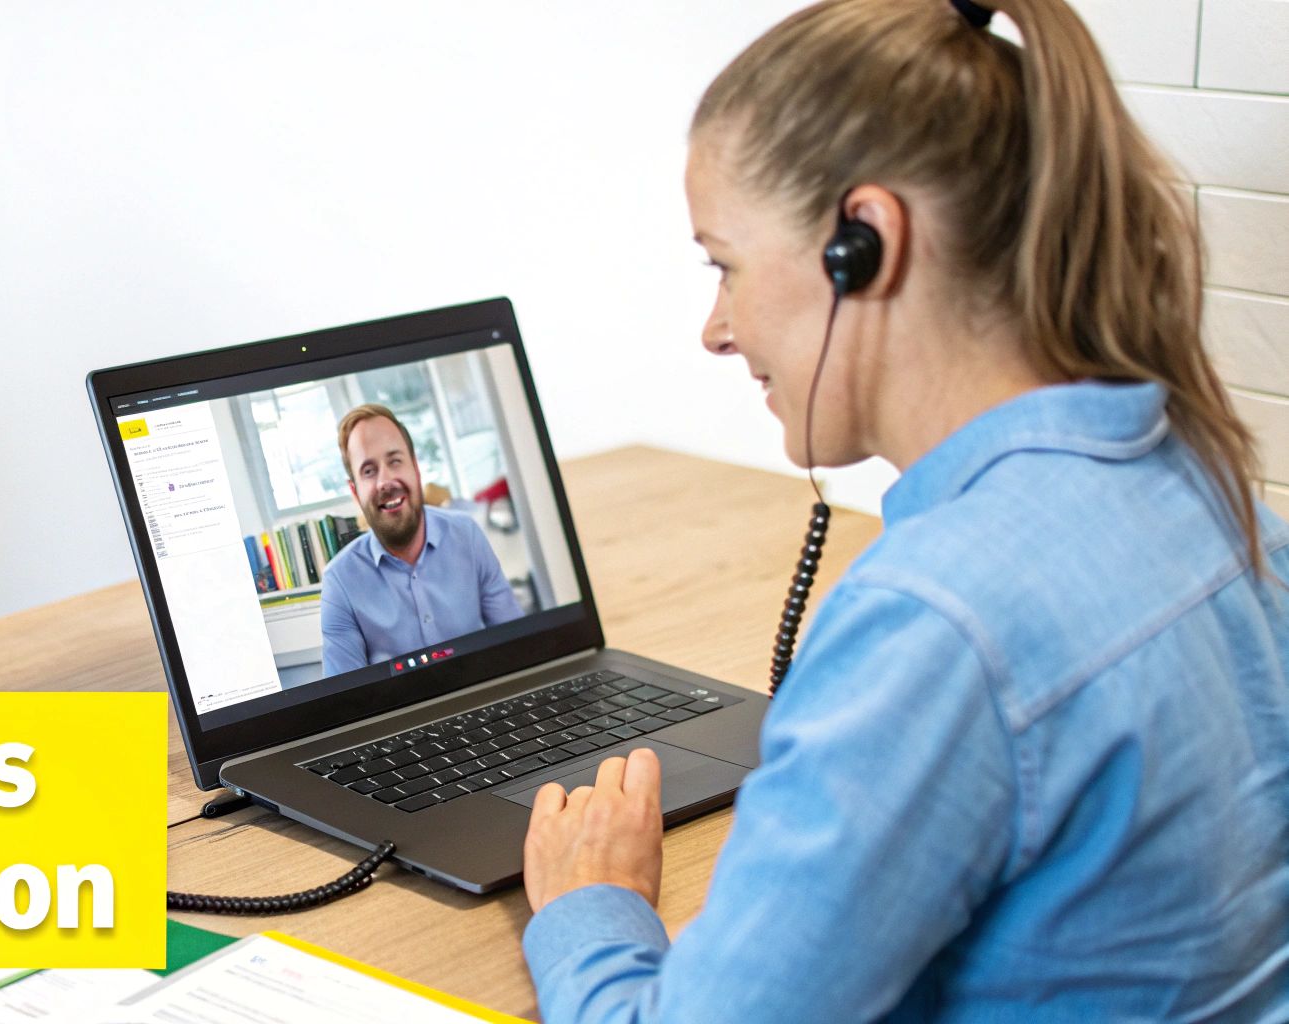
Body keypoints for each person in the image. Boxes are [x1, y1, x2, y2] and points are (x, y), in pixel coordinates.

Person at [519, 1, 1289, 1021]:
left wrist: (590, 906)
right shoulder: (1203, 480)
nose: (715, 328)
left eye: (725, 265)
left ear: (864, 243)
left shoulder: (936, 623)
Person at [318, 403, 523, 676]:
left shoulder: (467, 535)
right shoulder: (339, 582)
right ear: (355, 492)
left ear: (415, 469)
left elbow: (517, 644)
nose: (385, 481)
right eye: (369, 470)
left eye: (395, 461)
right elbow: (344, 702)